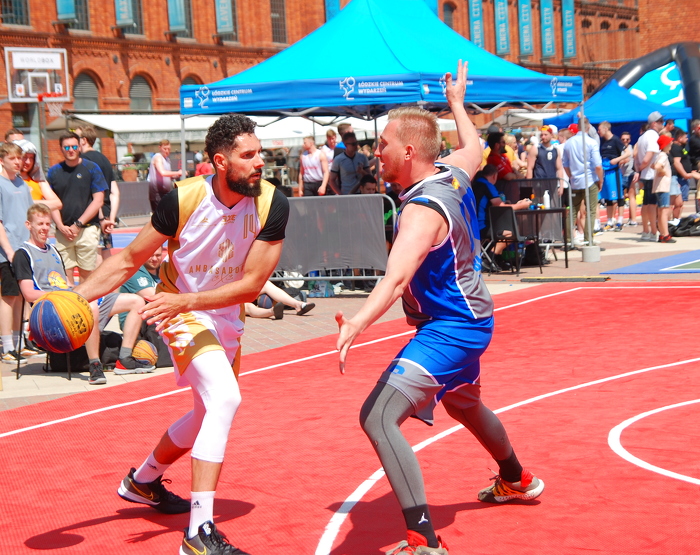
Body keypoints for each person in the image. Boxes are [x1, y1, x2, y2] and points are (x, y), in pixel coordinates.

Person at [335, 61, 543, 555]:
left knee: (377, 417)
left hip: (451, 326)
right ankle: (516, 479)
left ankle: (423, 540)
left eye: (383, 143)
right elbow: (473, 145)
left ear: (408, 152)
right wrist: (457, 104)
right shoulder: (452, 172)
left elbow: (396, 278)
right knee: (463, 403)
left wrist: (357, 322)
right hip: (472, 317)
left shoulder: (420, 211)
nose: (376, 151)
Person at [74, 113, 290, 555]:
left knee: (204, 413)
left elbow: (252, 285)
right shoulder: (184, 199)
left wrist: (191, 302)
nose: (260, 163)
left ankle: (143, 481)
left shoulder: (272, 203)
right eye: (249, 156)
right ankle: (199, 533)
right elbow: (128, 260)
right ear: (220, 162)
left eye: (260, 154)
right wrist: (72, 300)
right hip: (179, 310)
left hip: (220, 313)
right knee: (225, 399)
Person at [15, 203, 155, 382]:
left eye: (47, 224)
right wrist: (66, 298)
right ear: (29, 225)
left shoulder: (54, 251)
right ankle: (95, 365)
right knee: (90, 306)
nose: (44, 228)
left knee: (136, 301)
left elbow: (65, 283)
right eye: (39, 224)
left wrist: (79, 291)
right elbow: (29, 294)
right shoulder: (23, 254)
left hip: (69, 301)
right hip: (51, 312)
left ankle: (125, 359)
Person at [47, 132, 107, 282]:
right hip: (63, 231)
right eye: (67, 147)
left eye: (74, 146)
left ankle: (83, 298)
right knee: (64, 274)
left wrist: (78, 225)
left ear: (80, 147)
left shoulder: (92, 168)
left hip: (87, 229)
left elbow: (98, 200)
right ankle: (68, 298)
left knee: (86, 274)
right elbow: (51, 202)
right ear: (61, 148)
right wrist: (60, 226)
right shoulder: (54, 172)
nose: (71, 150)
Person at [0, 142, 34, 364]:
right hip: (7, 251)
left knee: (22, 296)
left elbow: (30, 215)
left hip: (24, 249)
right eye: (12, 158)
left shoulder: (22, 183)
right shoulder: (0, 184)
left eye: (19, 158)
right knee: (8, 296)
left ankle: (18, 342)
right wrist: (9, 251)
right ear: (2, 160)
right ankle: (7, 347)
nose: (17, 162)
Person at [473, 164, 532, 271]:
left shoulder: (475, 183)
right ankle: (489, 258)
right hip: (481, 226)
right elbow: (500, 206)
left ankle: (497, 260)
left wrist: (512, 204)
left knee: (501, 232)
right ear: (494, 176)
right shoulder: (487, 185)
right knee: (510, 234)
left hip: (472, 226)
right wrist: (522, 205)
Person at [75, 125, 120, 260]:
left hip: (94, 214)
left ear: (83, 140)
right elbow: (115, 192)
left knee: (95, 253)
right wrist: (111, 218)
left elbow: (93, 193)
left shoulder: (84, 161)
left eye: (76, 138)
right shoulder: (104, 159)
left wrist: (100, 218)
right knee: (105, 250)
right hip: (105, 212)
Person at [562, 117, 603, 247]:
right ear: (588, 127)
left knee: (573, 210)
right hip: (590, 179)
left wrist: (571, 176)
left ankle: (569, 240)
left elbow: (565, 164)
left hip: (575, 180)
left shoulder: (569, 143)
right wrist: (601, 179)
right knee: (591, 211)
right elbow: (598, 165)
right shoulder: (591, 142)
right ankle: (588, 239)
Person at [635, 112, 664, 242]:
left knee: (646, 204)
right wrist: (641, 167)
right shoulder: (653, 136)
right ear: (654, 123)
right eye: (660, 121)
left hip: (646, 175)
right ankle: (653, 231)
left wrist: (638, 169)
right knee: (652, 205)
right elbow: (648, 156)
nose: (662, 123)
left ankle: (646, 231)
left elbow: (636, 155)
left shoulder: (642, 137)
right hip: (652, 175)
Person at [13, 139, 63, 210]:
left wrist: (28, 202)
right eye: (25, 157)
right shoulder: (7, 180)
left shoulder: (39, 181)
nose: (28, 162)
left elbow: (57, 204)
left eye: (31, 158)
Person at [597, 121, 629, 231]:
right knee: (608, 198)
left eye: (600, 129)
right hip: (604, 170)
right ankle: (610, 221)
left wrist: (617, 159)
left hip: (613, 171)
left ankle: (620, 221)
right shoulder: (602, 141)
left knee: (619, 196)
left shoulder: (615, 140)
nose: (598, 132)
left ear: (605, 129)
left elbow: (628, 153)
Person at [670, 129, 700, 222]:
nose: (687, 139)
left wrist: (690, 171)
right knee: (677, 202)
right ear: (679, 138)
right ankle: (674, 221)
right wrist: (685, 174)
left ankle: (677, 220)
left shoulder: (682, 147)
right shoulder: (676, 148)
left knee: (680, 202)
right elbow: (677, 163)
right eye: (685, 137)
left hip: (684, 177)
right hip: (680, 178)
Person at [652, 135, 676, 243]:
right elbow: (657, 166)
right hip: (663, 187)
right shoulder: (663, 156)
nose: (671, 144)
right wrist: (663, 172)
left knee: (661, 210)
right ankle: (665, 234)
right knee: (664, 211)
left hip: (659, 186)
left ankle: (662, 234)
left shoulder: (659, 155)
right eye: (669, 143)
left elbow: (653, 165)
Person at [148, 139, 182, 212]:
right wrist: (177, 172)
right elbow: (162, 173)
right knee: (159, 216)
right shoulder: (158, 157)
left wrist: (178, 175)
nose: (167, 151)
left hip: (166, 193)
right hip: (157, 193)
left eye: (169, 149)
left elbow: (168, 175)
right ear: (159, 148)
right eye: (165, 149)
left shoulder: (167, 160)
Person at [619, 131, 637, 225]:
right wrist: (622, 161)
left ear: (630, 140)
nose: (625, 141)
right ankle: (619, 219)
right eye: (623, 139)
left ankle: (632, 219)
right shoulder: (619, 149)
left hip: (631, 174)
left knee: (632, 196)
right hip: (621, 175)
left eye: (627, 139)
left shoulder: (633, 148)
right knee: (620, 198)